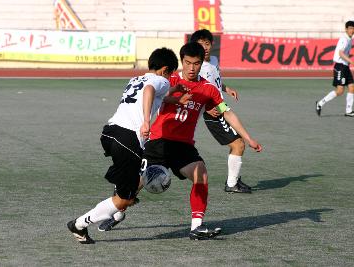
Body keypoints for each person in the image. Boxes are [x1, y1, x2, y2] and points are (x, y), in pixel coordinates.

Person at [100, 42, 262, 238]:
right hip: (157, 142)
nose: (191, 68)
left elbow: (226, 112)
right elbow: (149, 93)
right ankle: (117, 214)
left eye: (196, 63)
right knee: (134, 186)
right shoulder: (170, 80)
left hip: (183, 146)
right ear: (181, 62)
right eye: (187, 63)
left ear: (202, 63)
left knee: (201, 174)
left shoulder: (208, 89)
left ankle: (196, 227)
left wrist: (248, 139)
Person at [66, 47, 179, 244]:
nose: (170, 78)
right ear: (164, 70)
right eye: (170, 74)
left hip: (110, 132)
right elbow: (151, 91)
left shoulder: (136, 79)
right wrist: (146, 121)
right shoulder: (161, 80)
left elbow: (150, 94)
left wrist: (175, 97)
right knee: (124, 200)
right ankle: (79, 224)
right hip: (128, 137)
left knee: (128, 191)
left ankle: (120, 201)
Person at [190, 29, 253, 193]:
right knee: (239, 144)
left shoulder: (214, 60)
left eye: (207, 43)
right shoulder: (199, 68)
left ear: (212, 45)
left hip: (221, 106)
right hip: (214, 110)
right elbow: (197, 91)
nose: (204, 47)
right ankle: (231, 184)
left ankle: (233, 180)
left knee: (238, 144)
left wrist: (226, 88)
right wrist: (207, 108)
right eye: (200, 44)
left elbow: (215, 82)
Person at [316, 20, 354, 117]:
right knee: (340, 91)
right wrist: (351, 61)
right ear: (346, 29)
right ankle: (320, 103)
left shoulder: (350, 38)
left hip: (345, 66)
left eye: (353, 28)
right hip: (340, 66)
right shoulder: (344, 39)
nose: (352, 30)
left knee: (352, 87)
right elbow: (340, 53)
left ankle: (349, 111)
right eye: (350, 28)